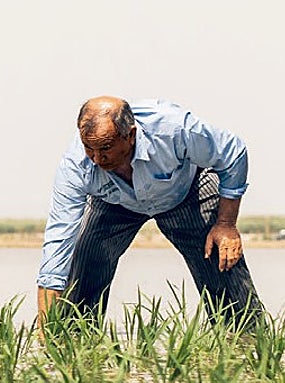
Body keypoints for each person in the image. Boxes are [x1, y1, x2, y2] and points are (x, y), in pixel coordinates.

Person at [36, 96, 264, 328]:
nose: (96, 159)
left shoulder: (174, 129)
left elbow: (232, 153)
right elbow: (58, 241)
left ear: (131, 135)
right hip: (116, 203)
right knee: (86, 260)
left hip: (185, 192)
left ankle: (248, 341)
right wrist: (46, 329)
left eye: (105, 148)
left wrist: (226, 224)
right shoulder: (75, 166)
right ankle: (71, 344)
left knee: (218, 257)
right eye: (88, 148)